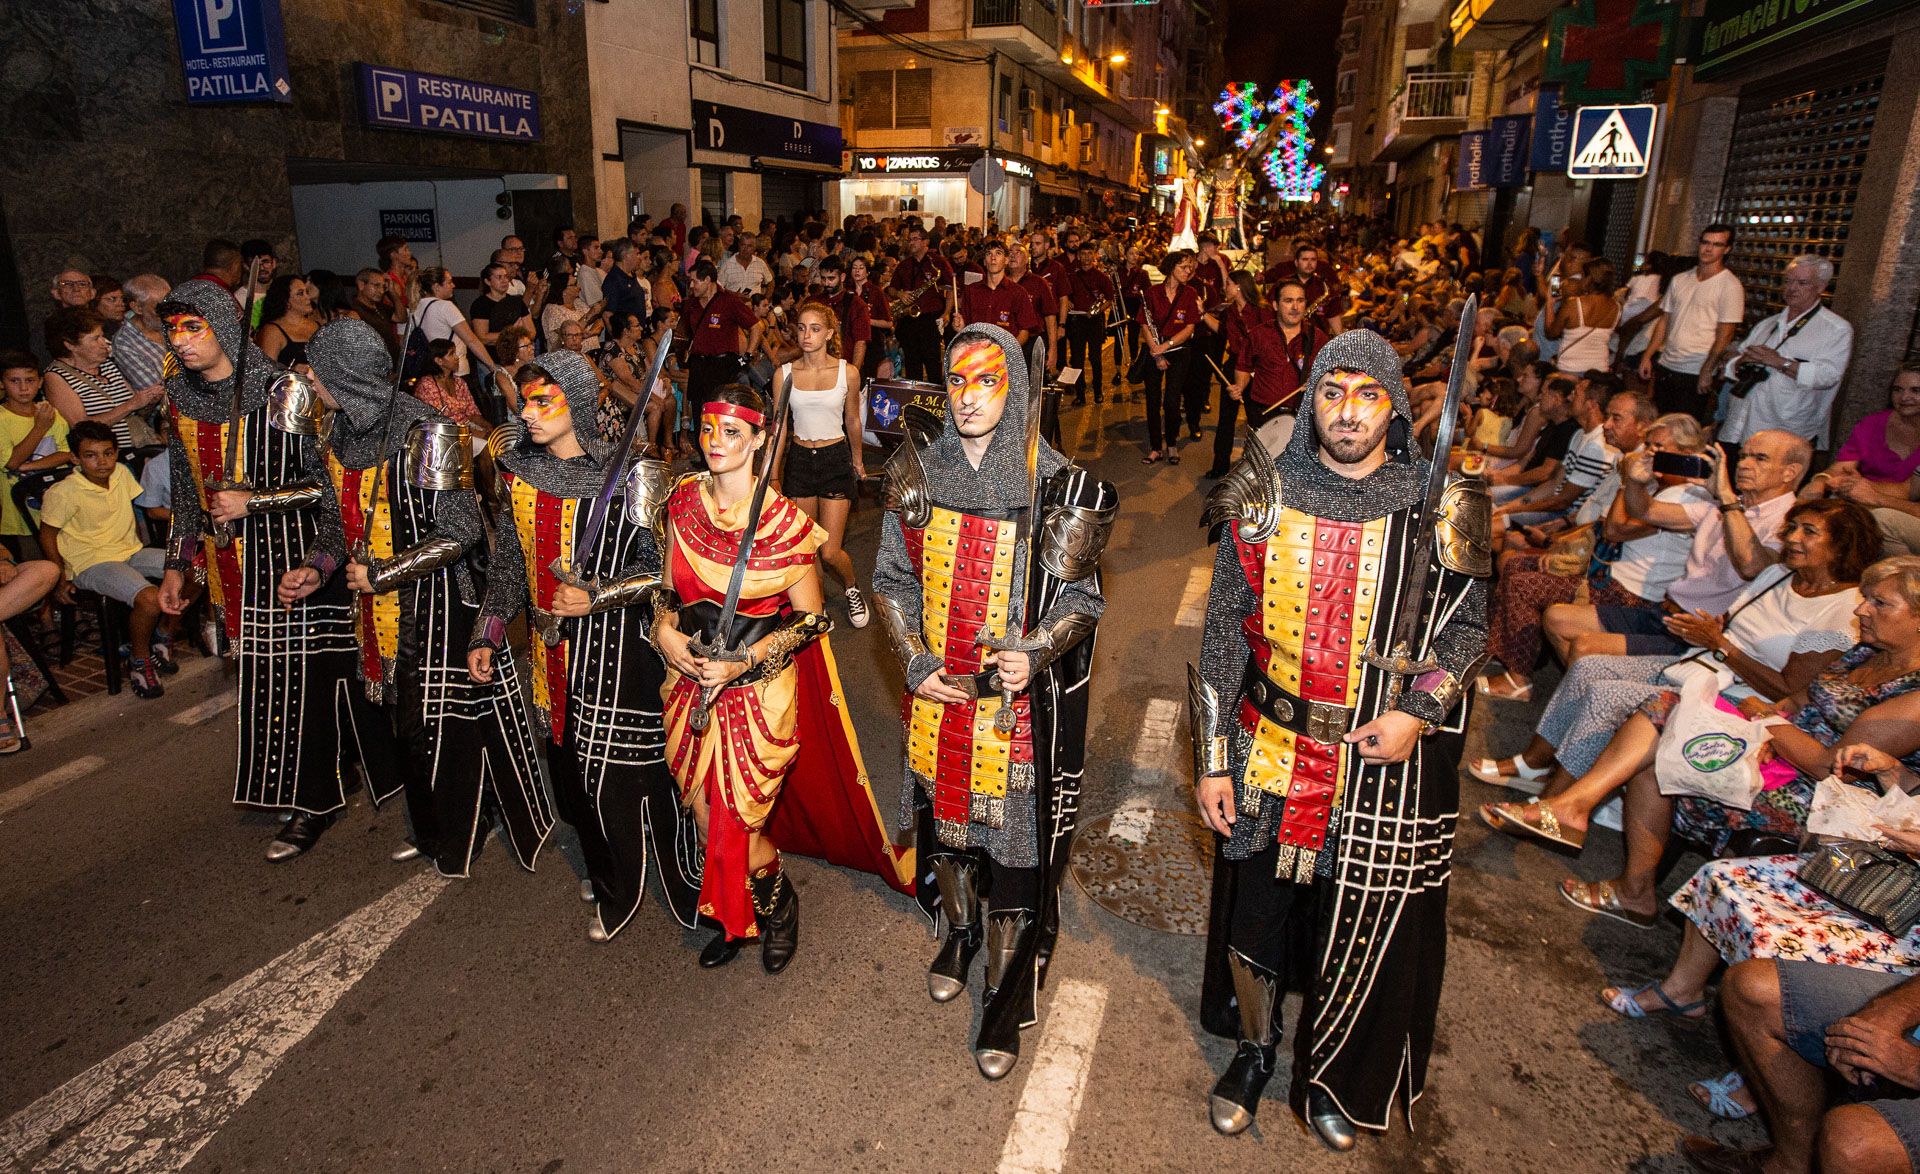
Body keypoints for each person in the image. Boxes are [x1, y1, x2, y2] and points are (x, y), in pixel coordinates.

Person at [1192, 329, 1489, 1148]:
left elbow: (1466, 636)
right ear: (1310, 399)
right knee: (1259, 915)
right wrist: (1212, 758)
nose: (1347, 412)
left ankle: (1327, 1070)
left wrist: (1418, 710)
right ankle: (1254, 1051)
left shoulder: (1441, 504)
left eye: (1365, 395)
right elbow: (1223, 634)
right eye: (1331, 392)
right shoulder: (1262, 493)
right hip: (1268, 746)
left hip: (1371, 762)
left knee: (1348, 922)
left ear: (1393, 404)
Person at [871, 324, 1111, 1077]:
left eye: (987, 381)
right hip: (939, 700)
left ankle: (1004, 1003)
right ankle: (960, 933)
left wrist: (1036, 650)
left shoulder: (1054, 480)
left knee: (1010, 853)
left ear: (1012, 387)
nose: (969, 398)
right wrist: (911, 659)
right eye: (958, 381)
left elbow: (1083, 599)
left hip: (1013, 713)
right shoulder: (916, 474)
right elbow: (891, 583)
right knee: (948, 839)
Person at [653, 382, 911, 969]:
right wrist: (665, 635)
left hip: (758, 693)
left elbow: (813, 621)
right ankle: (731, 912)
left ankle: (777, 909)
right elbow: (665, 593)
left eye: (733, 432)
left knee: (741, 823)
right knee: (701, 812)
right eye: (709, 429)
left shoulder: (786, 524)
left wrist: (744, 661)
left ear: (761, 438)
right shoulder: (683, 501)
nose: (717, 442)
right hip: (688, 687)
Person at [301, 318, 552, 879]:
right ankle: (432, 825)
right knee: (400, 724)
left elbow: (462, 530)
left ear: (345, 374)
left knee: (440, 727)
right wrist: (317, 568)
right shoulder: (336, 434)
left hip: (437, 604)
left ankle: (466, 824)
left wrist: (386, 573)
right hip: (374, 607)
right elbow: (337, 527)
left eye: (318, 367)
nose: (310, 378)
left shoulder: (427, 431)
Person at [1485, 497, 1875, 851]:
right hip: (1703, 662)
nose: (1792, 538)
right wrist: (1708, 630)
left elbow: (1791, 688)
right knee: (1589, 666)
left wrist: (1722, 644)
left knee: (1609, 695)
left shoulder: (1840, 612)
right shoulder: (1779, 575)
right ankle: (1542, 774)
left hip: (1744, 698)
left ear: (1843, 544)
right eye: (1791, 528)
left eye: (1809, 531)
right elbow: (1735, 626)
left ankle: (1554, 807)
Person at [472, 352, 702, 940]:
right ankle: (604, 866)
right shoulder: (518, 471)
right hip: (551, 657)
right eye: (523, 402)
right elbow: (509, 561)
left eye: (542, 401)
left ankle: (664, 872)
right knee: (571, 768)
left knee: (640, 774)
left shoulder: (630, 477)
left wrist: (596, 598)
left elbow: (665, 577)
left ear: (576, 402)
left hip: (621, 652)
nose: (527, 413)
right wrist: (491, 628)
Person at [155, 279, 378, 861]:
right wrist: (179, 564)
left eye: (193, 328)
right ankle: (334, 771)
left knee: (306, 687)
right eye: (173, 330)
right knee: (269, 685)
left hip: (298, 561)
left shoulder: (286, 392)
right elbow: (186, 494)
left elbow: (330, 491)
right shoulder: (181, 396)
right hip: (232, 569)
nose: (181, 342)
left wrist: (256, 502)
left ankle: (315, 802)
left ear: (223, 327)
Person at [1543, 429, 1809, 659]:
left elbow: (1752, 566)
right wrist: (1635, 482)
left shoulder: (1791, 522)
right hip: (1667, 612)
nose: (1744, 465)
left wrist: (1727, 497)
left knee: (1587, 648)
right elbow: (1646, 511)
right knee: (1557, 619)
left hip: (1699, 635)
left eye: (1759, 458)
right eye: (1743, 456)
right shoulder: (1728, 506)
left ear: (1789, 472)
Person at [38, 421, 175, 698]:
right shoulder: (63, 492)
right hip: (92, 562)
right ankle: (139, 661)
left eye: (108, 453)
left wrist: (136, 544)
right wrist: (60, 577)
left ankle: (161, 634)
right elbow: (47, 536)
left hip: (130, 552)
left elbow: (129, 516)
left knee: (197, 567)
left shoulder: (122, 473)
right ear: (75, 458)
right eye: (91, 455)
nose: (102, 462)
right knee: (149, 598)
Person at [771, 301, 870, 628]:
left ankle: (852, 586)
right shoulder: (783, 374)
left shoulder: (847, 372)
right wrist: (771, 474)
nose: (806, 335)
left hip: (834, 460)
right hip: (800, 462)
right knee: (805, 547)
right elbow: (779, 427)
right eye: (801, 328)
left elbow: (853, 419)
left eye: (815, 329)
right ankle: (817, 604)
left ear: (829, 333)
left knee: (830, 551)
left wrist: (857, 460)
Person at [1720, 254, 1854, 456]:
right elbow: (1730, 367)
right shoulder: (1768, 324)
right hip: (1740, 424)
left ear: (1821, 287)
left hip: (1785, 430)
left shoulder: (1836, 329)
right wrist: (1741, 361)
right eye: (1789, 281)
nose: (1792, 288)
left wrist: (1778, 362)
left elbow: (1828, 376)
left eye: (1802, 283)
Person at [1639, 224, 1745, 419]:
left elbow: (1726, 333)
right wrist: (1648, 355)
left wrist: (1707, 368)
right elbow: (1665, 320)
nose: (1708, 249)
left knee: (1683, 431)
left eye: (1716, 244)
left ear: (1727, 249)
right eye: (1705, 242)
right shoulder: (1680, 279)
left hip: (1694, 369)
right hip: (1666, 364)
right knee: (1658, 422)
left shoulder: (1730, 285)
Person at [42, 307, 157, 454]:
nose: (104, 343)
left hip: (138, 448)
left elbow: (135, 413)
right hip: (104, 457)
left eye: (102, 336)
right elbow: (80, 426)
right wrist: (131, 404)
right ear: (70, 345)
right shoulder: (56, 377)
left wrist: (148, 402)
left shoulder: (108, 365)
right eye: (96, 338)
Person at [2, 354, 73, 551]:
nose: (24, 388)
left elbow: (66, 454)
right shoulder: (3, 419)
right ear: (2, 384)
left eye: (30, 380)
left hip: (56, 510)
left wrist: (30, 465)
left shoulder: (50, 412)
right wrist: (40, 428)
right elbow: (11, 462)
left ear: (40, 382)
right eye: (14, 381)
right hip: (19, 516)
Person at [1139, 250, 1202, 466]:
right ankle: (1156, 446)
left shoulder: (1190, 293)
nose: (1188, 271)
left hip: (1178, 350)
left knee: (1172, 401)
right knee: (1153, 401)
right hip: (1154, 349)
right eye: (1183, 267)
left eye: (1190, 268)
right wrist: (1156, 351)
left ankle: (1172, 442)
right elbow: (1144, 324)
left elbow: (1190, 327)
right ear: (1171, 267)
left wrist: (1167, 345)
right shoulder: (1152, 292)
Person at [683, 261, 762, 413]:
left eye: (694, 281)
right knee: (699, 410)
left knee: (719, 409)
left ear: (707, 280)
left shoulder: (729, 302)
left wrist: (747, 356)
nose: (691, 286)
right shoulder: (690, 304)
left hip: (722, 365)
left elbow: (756, 326)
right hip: (698, 365)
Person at [889, 225, 953, 382]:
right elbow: (891, 288)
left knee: (933, 364)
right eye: (909, 240)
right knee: (911, 365)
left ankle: (935, 400)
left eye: (915, 239)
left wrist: (946, 313)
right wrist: (900, 294)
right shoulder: (904, 265)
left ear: (926, 242)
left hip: (929, 320)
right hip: (908, 321)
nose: (911, 243)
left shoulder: (938, 263)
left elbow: (951, 289)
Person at [1061, 239, 1118, 405]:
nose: (1086, 257)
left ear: (1094, 256)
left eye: (1089, 254)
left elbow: (1110, 298)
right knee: (1077, 359)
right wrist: (1068, 302)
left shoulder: (1101, 277)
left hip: (1095, 321)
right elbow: (1064, 296)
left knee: (1095, 358)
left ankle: (1098, 392)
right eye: (1083, 254)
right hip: (1077, 320)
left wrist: (1099, 310)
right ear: (1079, 256)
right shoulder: (1072, 277)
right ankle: (1080, 394)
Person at [950, 241, 1040, 345]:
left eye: (998, 253)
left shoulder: (1018, 292)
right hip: (976, 356)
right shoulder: (971, 291)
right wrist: (961, 328)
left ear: (1006, 260)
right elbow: (966, 329)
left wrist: (1009, 352)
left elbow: (1024, 331)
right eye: (989, 254)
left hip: (1006, 358)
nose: (993, 258)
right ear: (984, 261)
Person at [1544, 257, 1620, 376]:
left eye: (1583, 276)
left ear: (1590, 279)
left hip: (1570, 368)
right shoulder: (1617, 307)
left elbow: (1551, 333)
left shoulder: (1574, 304)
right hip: (1599, 369)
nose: (1580, 280)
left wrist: (1550, 303)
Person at [409, 268, 490, 380]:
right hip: (456, 371)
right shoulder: (445, 306)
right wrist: (492, 366)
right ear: (436, 287)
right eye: (449, 282)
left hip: (432, 373)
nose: (453, 285)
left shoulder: (415, 308)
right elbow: (471, 340)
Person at [809, 256, 871, 375]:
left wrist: (853, 373)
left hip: (842, 366)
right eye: (823, 278)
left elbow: (861, 342)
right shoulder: (813, 302)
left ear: (842, 277)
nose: (826, 283)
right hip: (814, 367)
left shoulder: (856, 304)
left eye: (831, 278)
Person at [411, 339, 487, 430]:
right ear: (439, 361)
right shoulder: (427, 385)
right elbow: (437, 422)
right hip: (445, 434)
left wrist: (487, 426)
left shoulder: (459, 382)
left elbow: (473, 412)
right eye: (451, 354)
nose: (457, 357)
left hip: (466, 428)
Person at [255, 274, 320, 369]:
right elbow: (265, 371)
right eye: (300, 293)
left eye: (307, 292)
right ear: (286, 301)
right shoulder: (272, 331)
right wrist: (291, 371)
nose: (308, 297)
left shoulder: (316, 326)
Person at [468, 263, 532, 350]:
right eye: (499, 277)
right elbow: (483, 338)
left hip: (516, 354)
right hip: (491, 356)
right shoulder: (480, 305)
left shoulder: (516, 301)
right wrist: (512, 332)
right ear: (488, 281)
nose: (505, 280)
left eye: (506, 276)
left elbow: (531, 331)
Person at [719, 233, 774, 298]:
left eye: (749, 246)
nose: (745, 249)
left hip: (754, 306)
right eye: (743, 245)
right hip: (734, 305)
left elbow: (770, 282)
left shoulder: (760, 263)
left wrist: (765, 300)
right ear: (739, 245)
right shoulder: (727, 265)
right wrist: (734, 294)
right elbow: (719, 288)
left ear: (754, 247)